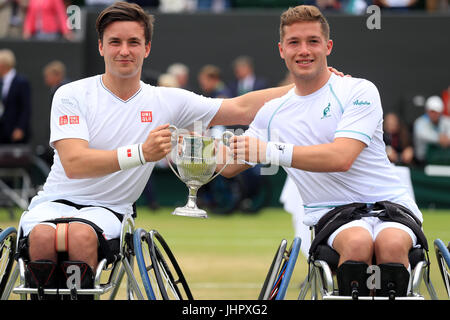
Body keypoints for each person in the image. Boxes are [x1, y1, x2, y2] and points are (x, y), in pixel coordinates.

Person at [19, 1, 297, 293]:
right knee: (40, 238)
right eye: (115, 42)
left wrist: (311, 85)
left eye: (133, 42)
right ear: (101, 47)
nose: (124, 50)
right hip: (52, 202)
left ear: (147, 48)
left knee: (79, 236)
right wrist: (141, 153)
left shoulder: (166, 100)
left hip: (108, 210)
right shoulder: (71, 94)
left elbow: (240, 108)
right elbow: (75, 164)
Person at [220, 5, 426, 296]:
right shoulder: (271, 113)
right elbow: (229, 166)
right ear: (281, 50)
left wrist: (269, 151)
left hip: (391, 206)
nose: (304, 50)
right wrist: (185, 144)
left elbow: (341, 158)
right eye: (294, 42)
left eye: (312, 41)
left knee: (391, 245)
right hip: (332, 213)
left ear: (327, 46)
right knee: (357, 243)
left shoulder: (359, 90)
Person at [0, 48, 31, 144]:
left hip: (14, 131)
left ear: (3, 65)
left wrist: (20, 128)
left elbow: (26, 107)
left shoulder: (21, 82)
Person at [413, 95, 450, 164]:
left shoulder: (446, 121)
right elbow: (424, 135)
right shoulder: (419, 122)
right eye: (432, 111)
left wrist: (446, 139)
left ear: (441, 112)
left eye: (437, 112)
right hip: (422, 162)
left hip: (444, 160)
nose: (434, 114)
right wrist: (440, 139)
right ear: (427, 111)